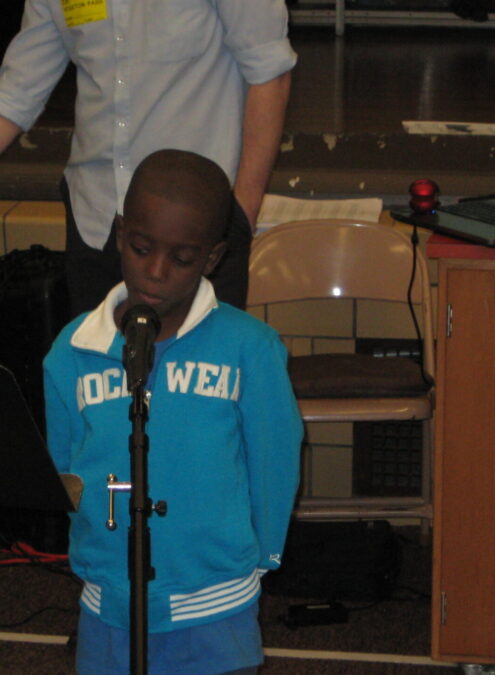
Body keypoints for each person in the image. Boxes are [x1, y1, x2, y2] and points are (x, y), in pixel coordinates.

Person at [0, 1, 295, 315]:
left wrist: (241, 213)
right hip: (97, 221)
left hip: (196, 230)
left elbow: (270, 72)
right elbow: (17, 93)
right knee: (101, 406)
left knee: (198, 414)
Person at [42, 149, 303, 674]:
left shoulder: (248, 348)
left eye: (182, 259)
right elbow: (64, 468)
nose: (156, 273)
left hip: (216, 608)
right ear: (119, 233)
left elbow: (275, 460)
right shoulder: (72, 351)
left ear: (212, 258)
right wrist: (95, 555)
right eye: (141, 248)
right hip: (108, 606)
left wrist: (257, 560)